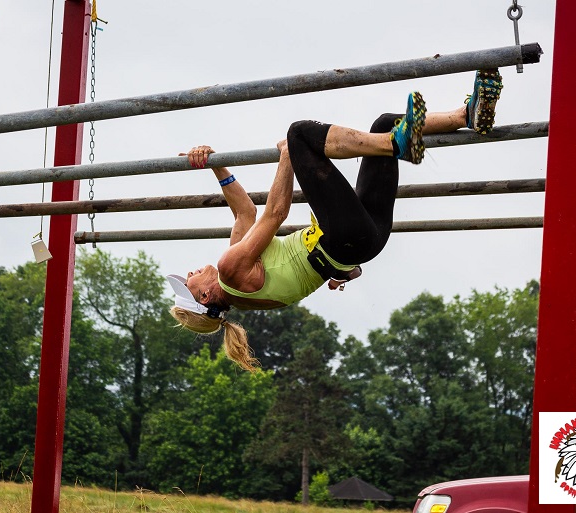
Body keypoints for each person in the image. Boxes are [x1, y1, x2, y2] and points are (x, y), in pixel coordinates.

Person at [167, 69, 503, 371]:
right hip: (343, 237)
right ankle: (394, 143)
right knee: (299, 134)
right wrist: (287, 156)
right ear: (204, 298)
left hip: (364, 241)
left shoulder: (240, 278)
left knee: (386, 122)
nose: (190, 273)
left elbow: (245, 213)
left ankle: (464, 115)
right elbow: (275, 213)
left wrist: (215, 164)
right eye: (189, 282)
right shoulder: (230, 269)